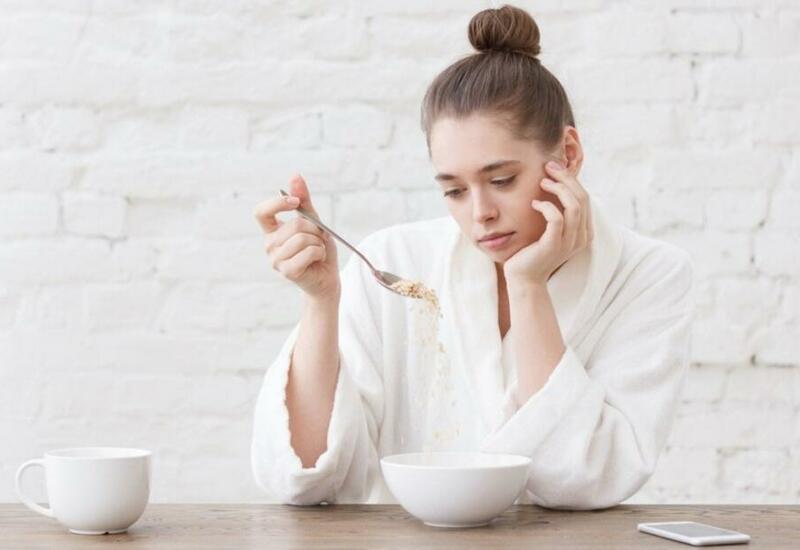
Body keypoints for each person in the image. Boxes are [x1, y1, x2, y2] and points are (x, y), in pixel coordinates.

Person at [251, 4, 694, 510]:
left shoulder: (649, 274)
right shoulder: (395, 258)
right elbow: (306, 477)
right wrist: (321, 301)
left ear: (568, 155)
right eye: (454, 191)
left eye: (502, 180)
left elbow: (583, 479)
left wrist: (528, 286)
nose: (481, 213)